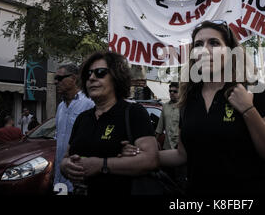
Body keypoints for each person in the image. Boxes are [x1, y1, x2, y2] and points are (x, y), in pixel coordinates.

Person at [145, 20, 265, 195]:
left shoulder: (253, 90)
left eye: (214, 43)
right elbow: (182, 154)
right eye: (198, 44)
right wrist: (144, 157)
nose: (205, 50)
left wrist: (248, 110)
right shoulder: (189, 98)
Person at [60, 52, 158, 195]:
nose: (92, 78)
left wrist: (102, 165)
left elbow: (151, 160)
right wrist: (65, 166)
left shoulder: (133, 112)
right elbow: (66, 158)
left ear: (116, 78)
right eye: (88, 74)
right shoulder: (82, 118)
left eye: (100, 73)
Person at [53, 64, 95, 194]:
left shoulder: (89, 103)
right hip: (59, 176)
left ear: (73, 78)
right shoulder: (60, 106)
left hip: (78, 176)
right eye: (55, 78)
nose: (56, 82)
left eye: (60, 78)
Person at [155, 82, 180, 150]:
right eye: (170, 91)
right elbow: (160, 127)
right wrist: (154, 142)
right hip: (167, 146)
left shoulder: (184, 106)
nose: (172, 93)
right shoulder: (165, 106)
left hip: (179, 147)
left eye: (175, 91)